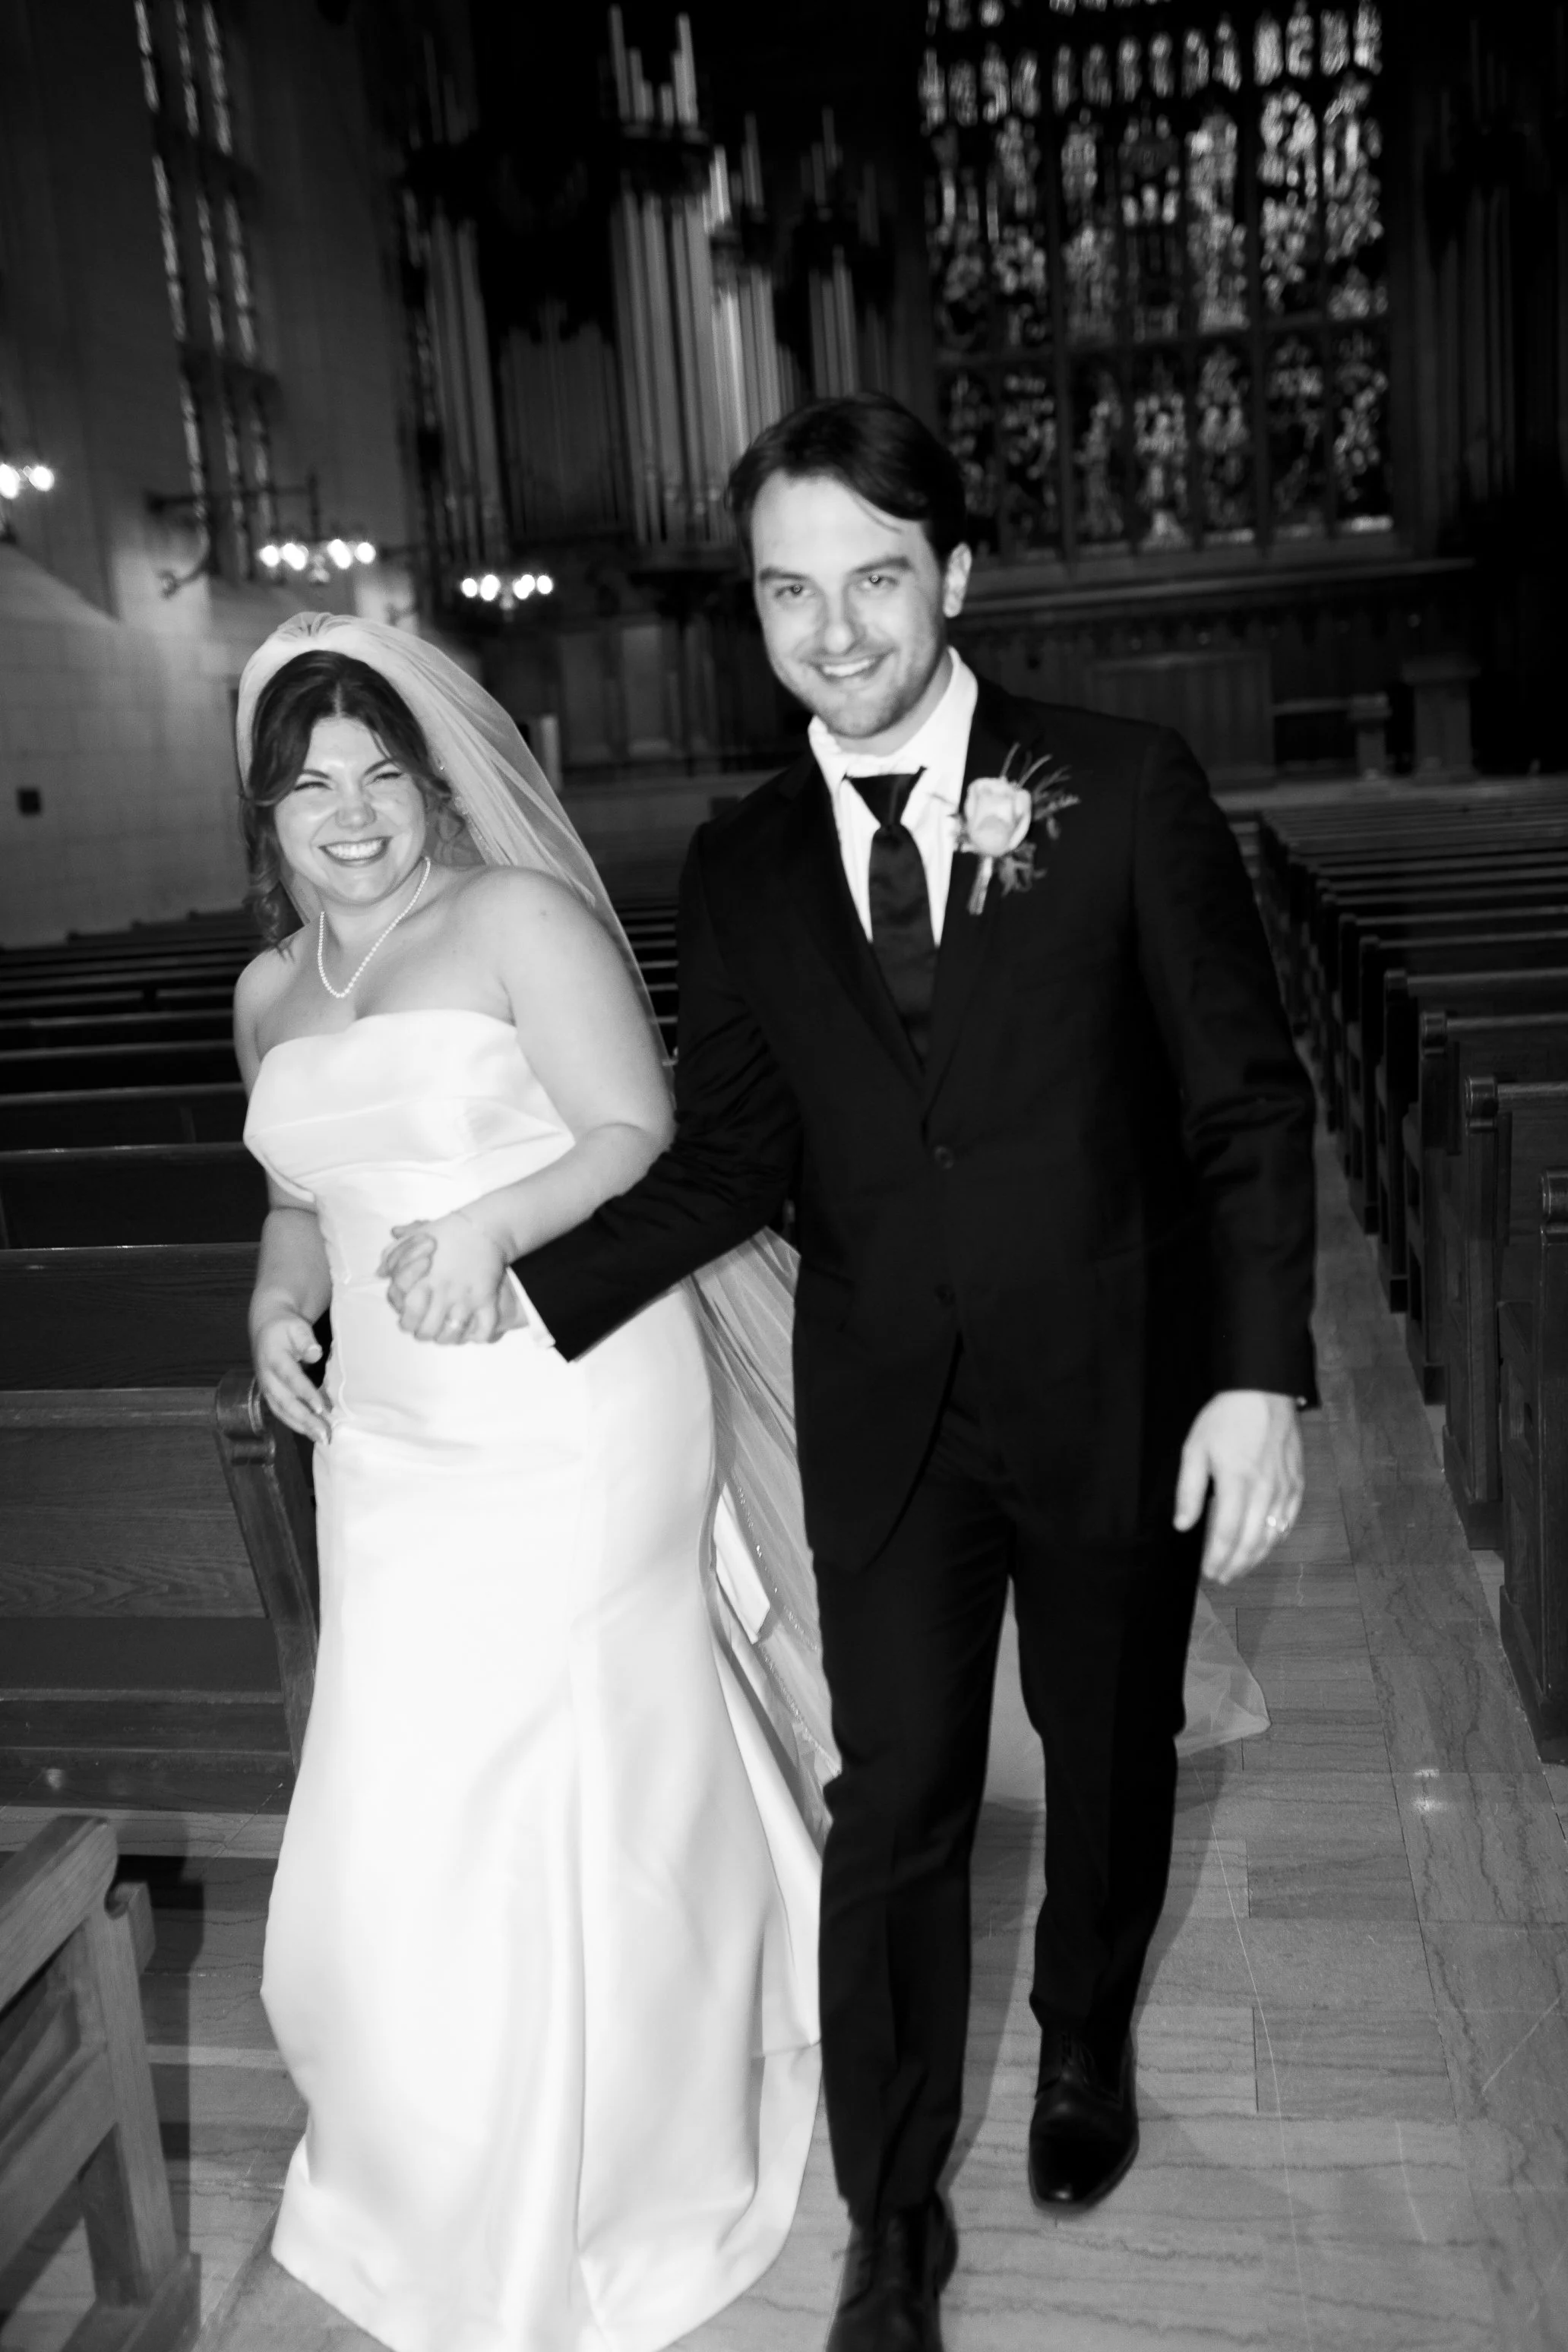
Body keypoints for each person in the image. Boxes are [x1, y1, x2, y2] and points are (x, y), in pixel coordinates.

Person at [384, 394, 1318, 2352]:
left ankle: (1079, 2040)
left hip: (1120, 1386)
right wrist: (504, 1275)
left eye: (875, 580)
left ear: (954, 578)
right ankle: (890, 2219)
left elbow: (1241, 1099)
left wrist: (1257, 1377)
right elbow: (727, 1160)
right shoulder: (734, 869)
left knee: (1111, 1749)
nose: (833, 631)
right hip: (883, 1405)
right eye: (790, 592)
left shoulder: (1122, 786)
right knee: (887, 1790)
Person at [232, 612, 826, 2352]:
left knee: (561, 1762)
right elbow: (296, 1197)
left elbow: (638, 1132)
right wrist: (278, 1304)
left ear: (433, 783)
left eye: (381, 778)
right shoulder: (268, 993)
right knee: (410, 1773)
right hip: (390, 1445)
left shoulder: (515, 920)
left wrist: (492, 1227)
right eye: (308, 790)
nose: (351, 816)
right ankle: (438, 2143)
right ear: (262, 820)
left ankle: (617, 2156)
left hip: (568, 1402)